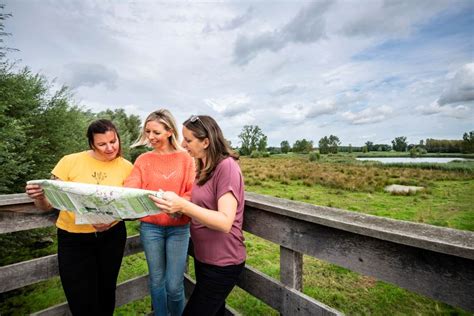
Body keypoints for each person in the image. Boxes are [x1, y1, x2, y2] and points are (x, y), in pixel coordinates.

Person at [25, 119, 133, 315]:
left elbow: (130, 206)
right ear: (91, 144)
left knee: (106, 292)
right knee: (80, 298)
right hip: (73, 239)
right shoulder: (69, 162)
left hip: (112, 237)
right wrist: (40, 197)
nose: (110, 148)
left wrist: (111, 220)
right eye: (102, 144)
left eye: (113, 141)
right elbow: (48, 206)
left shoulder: (127, 167)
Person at [150, 115, 246, 316]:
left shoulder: (226, 167)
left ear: (206, 141)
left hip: (223, 262)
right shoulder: (203, 167)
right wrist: (177, 209)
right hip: (204, 259)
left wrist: (184, 205)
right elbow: (201, 206)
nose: (183, 145)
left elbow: (224, 221)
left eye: (188, 140)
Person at [124, 109, 195, 316]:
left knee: (174, 285)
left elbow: (191, 191)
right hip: (151, 228)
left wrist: (180, 206)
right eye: (147, 132)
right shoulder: (143, 160)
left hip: (179, 229)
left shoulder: (186, 159)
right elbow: (132, 186)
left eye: (156, 132)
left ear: (170, 131)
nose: (150, 137)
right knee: (156, 280)